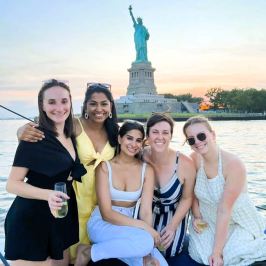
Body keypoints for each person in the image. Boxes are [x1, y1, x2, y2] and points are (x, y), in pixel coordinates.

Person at [16, 83, 119, 264]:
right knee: (67, 253)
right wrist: (21, 131)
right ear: (85, 105)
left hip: (100, 202)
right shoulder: (74, 126)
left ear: (111, 106)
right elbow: (46, 131)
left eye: (104, 103)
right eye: (93, 103)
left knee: (91, 254)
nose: (99, 109)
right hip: (72, 198)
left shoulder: (115, 132)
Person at [5, 79, 86, 265]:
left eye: (64, 101)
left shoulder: (69, 134)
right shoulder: (33, 136)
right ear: (41, 105)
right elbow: (12, 184)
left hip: (60, 217)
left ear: (71, 102)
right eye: (51, 102)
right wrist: (48, 194)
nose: (59, 107)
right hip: (32, 220)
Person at [75, 120, 168, 266]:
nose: (133, 144)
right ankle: (87, 252)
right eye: (129, 138)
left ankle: (91, 252)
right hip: (103, 224)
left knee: (159, 263)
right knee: (144, 241)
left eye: (138, 140)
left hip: (131, 227)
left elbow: (145, 212)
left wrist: (148, 252)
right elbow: (107, 214)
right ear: (120, 139)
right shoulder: (105, 168)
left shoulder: (147, 170)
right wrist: (146, 230)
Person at [183, 116, 266, 266]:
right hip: (209, 221)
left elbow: (224, 210)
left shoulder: (233, 164)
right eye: (191, 139)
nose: (197, 142)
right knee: (199, 254)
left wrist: (217, 252)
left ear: (212, 135)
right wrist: (196, 216)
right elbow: (192, 193)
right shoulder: (194, 159)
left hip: (237, 221)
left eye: (201, 136)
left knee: (230, 256)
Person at [142, 113, 197, 265]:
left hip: (173, 215)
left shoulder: (185, 164)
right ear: (147, 135)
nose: (160, 137)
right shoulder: (140, 156)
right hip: (145, 213)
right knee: (140, 248)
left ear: (171, 136)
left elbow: (187, 198)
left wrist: (172, 227)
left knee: (167, 249)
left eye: (165, 132)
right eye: (155, 132)